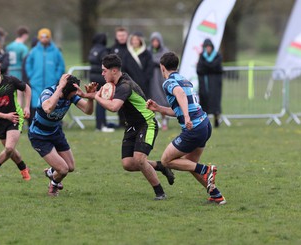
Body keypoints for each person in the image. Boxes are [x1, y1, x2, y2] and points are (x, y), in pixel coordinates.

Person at [146, 52, 226, 205]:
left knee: (166, 160)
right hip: (205, 125)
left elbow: (180, 95)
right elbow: (179, 110)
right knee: (190, 164)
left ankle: (206, 170)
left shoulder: (168, 82)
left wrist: (187, 118)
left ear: (162, 68)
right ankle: (215, 194)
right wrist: (158, 108)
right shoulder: (184, 80)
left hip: (194, 128)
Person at [94, 54, 174, 200]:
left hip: (147, 123)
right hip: (132, 126)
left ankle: (160, 192)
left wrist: (96, 97)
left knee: (139, 159)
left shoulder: (125, 85)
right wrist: (86, 94)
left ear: (114, 71)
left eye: (104, 70)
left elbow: (114, 107)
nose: (102, 74)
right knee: (128, 164)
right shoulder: (118, 82)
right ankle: (161, 166)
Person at [28, 74, 96, 196]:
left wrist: (90, 97)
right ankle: (53, 187)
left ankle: (51, 172)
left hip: (55, 132)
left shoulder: (71, 96)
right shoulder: (48, 93)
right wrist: (60, 88)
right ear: (65, 90)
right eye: (74, 92)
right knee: (63, 169)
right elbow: (48, 108)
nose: (76, 94)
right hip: (39, 136)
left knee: (70, 167)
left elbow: (88, 111)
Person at [25, 28, 65, 126]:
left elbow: (61, 66)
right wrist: (31, 76)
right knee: (35, 103)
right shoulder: (34, 51)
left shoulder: (55, 51)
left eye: (46, 37)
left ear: (49, 38)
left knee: (51, 103)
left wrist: (57, 77)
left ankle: (52, 124)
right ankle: (34, 123)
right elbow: (28, 64)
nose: (44, 39)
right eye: (42, 37)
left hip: (50, 83)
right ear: (39, 38)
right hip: (36, 83)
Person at [88, 33, 114, 132]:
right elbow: (107, 64)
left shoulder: (93, 49)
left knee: (98, 100)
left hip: (93, 77)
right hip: (101, 77)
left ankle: (100, 124)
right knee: (102, 102)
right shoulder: (103, 51)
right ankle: (101, 125)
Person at [196, 38, 223, 128]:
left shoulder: (217, 56)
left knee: (215, 102)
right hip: (205, 84)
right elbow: (199, 70)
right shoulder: (202, 56)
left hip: (215, 84)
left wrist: (207, 67)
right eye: (206, 47)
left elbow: (217, 68)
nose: (208, 49)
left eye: (209, 47)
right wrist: (210, 68)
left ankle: (216, 119)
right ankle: (205, 122)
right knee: (204, 102)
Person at [148, 32, 170, 130]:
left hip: (161, 79)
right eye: (153, 41)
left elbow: (165, 61)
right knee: (152, 100)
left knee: (163, 101)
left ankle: (164, 120)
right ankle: (154, 122)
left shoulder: (165, 51)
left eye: (157, 41)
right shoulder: (148, 51)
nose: (155, 43)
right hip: (152, 80)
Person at [122, 31, 153, 97]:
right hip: (130, 84)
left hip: (144, 85)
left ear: (140, 41)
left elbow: (150, 68)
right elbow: (123, 68)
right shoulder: (127, 53)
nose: (135, 41)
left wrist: (145, 80)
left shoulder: (146, 53)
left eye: (136, 40)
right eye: (133, 40)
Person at [109, 27, 129, 128]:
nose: (121, 37)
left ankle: (129, 121)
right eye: (119, 35)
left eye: (123, 35)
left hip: (129, 79)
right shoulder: (113, 49)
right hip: (117, 80)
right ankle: (122, 122)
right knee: (119, 101)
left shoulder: (130, 48)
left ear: (127, 36)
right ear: (116, 36)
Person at [6, 26, 30, 107]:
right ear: (25, 35)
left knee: (11, 96)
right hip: (19, 72)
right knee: (19, 97)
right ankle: (18, 116)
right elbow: (26, 62)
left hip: (9, 72)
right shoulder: (23, 48)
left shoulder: (8, 46)